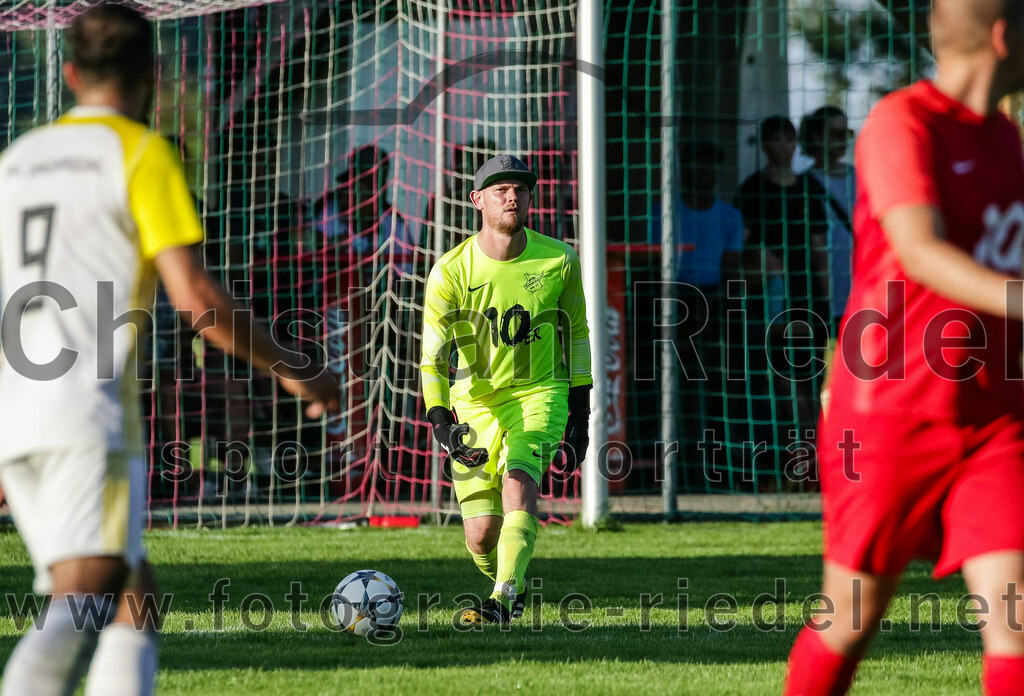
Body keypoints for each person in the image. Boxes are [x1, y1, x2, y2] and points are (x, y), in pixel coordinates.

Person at [0, 5, 340, 695]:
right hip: (85, 414)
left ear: (68, 72)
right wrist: (293, 366)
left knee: (132, 593)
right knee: (86, 594)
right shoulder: (141, 151)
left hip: (18, 411)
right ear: (152, 72)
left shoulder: (16, 162)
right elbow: (196, 301)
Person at [784, 1, 1024, 694]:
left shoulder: (1005, 138)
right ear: (1005, 35)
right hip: (890, 413)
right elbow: (920, 252)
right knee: (851, 616)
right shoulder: (902, 122)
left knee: (1014, 623)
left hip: (993, 418)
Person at [420, 154, 592, 625]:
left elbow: (577, 334)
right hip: (474, 402)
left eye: (520, 188)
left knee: (519, 483)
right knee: (480, 534)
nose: (512, 195)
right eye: (500, 189)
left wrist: (582, 414)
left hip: (540, 393)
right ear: (477, 199)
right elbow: (433, 357)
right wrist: (441, 422)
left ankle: (501, 600)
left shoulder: (559, 260)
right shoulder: (450, 272)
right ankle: (506, 582)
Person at [736, 115, 830, 484]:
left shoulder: (810, 190)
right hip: (766, 304)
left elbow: (820, 250)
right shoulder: (752, 189)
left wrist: (825, 298)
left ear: (795, 144)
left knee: (810, 383)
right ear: (764, 146)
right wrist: (757, 261)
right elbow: (739, 247)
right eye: (773, 139)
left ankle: (810, 468)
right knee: (775, 385)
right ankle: (775, 468)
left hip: (806, 301)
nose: (781, 146)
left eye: (787, 139)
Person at [648, 140, 744, 488]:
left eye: (710, 166)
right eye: (697, 165)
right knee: (675, 390)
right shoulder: (662, 212)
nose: (704, 173)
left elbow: (731, 272)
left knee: (716, 389)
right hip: (672, 303)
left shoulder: (729, 216)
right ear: (683, 171)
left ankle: (716, 469)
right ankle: (675, 470)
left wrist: (721, 313)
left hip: (714, 305)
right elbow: (652, 268)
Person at [800, 105, 856, 332]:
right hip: (819, 292)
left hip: (863, 288)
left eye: (846, 132)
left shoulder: (863, 177)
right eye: (835, 133)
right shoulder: (801, 184)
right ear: (815, 136)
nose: (843, 139)